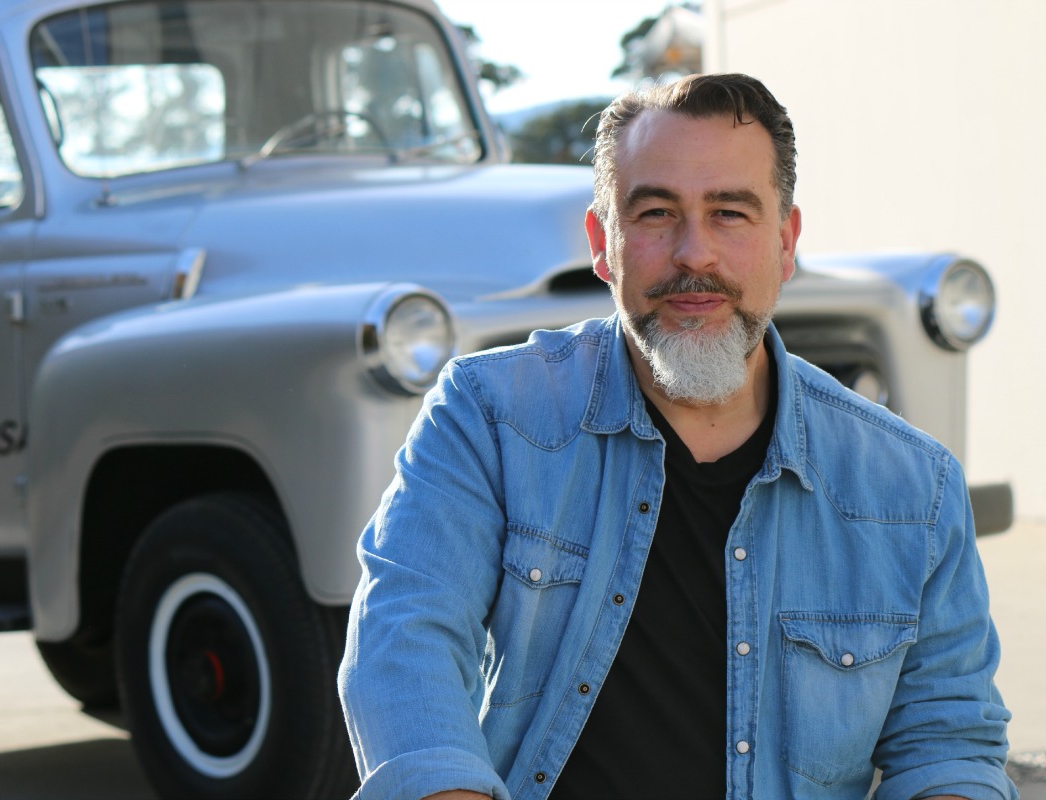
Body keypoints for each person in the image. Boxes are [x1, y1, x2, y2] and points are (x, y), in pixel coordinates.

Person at [337, 73, 1016, 800]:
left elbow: (948, 744)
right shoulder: (488, 417)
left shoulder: (915, 489)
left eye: (730, 213)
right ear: (604, 243)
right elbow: (404, 645)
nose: (695, 254)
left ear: (785, 242)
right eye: (657, 213)